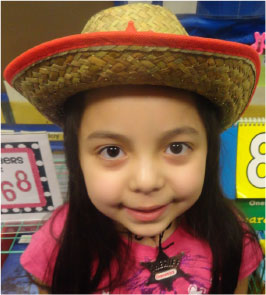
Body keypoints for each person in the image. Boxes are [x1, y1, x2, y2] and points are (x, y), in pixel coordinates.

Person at [4, 3, 264, 294]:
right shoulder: (59, 246)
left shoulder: (231, 239)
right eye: (112, 151)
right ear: (77, 157)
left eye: (176, 147)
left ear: (209, 149)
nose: (146, 181)